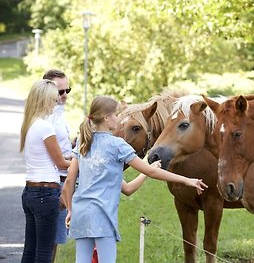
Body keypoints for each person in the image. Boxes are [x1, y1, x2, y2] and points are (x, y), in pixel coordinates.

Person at [62, 95, 207, 263]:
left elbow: (70, 183)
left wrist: (70, 210)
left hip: (81, 214)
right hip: (102, 216)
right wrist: (187, 180)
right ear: (107, 118)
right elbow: (152, 173)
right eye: (116, 114)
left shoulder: (83, 141)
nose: (118, 118)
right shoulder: (117, 145)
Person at [20, 79, 71, 263]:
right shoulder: (45, 126)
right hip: (46, 192)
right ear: (44, 99)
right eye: (53, 99)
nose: (56, 103)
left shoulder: (30, 124)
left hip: (30, 192)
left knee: (30, 250)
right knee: (44, 252)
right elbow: (61, 163)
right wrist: (80, 161)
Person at [42, 69, 73, 263]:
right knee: (47, 246)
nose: (65, 96)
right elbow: (56, 159)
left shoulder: (59, 114)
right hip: (54, 183)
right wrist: (79, 161)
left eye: (67, 90)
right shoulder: (48, 118)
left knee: (52, 244)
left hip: (62, 181)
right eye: (60, 92)